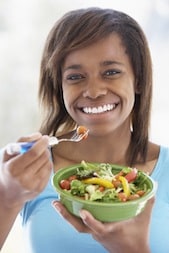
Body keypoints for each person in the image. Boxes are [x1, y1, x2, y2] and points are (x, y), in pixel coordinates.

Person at [0, 7, 168, 253]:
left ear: (139, 79)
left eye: (111, 72)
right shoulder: (26, 172)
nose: (94, 91)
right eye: (75, 77)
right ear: (59, 87)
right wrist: (7, 196)